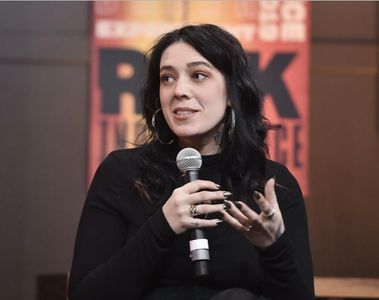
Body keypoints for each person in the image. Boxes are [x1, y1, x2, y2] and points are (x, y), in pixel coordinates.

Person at [68, 24, 315, 300]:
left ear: (232, 92)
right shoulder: (122, 173)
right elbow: (84, 294)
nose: (179, 91)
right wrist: (162, 225)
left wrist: (274, 248)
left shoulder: (271, 185)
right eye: (167, 78)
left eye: (198, 75)